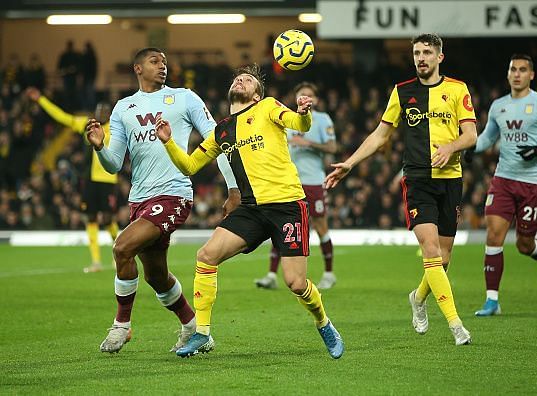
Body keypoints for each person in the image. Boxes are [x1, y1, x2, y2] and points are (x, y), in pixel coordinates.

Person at [155, 64, 344, 359]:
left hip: (287, 206)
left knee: (295, 283)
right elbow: (190, 166)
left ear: (257, 95)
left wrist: (304, 113)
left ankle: (324, 323)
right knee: (206, 256)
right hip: (251, 209)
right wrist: (168, 143)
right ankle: (202, 333)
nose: (241, 80)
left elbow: (297, 123)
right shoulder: (222, 130)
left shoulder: (268, 107)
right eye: (238, 78)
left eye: (249, 80)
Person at [84, 47, 240, 354]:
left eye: (165, 62)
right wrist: (100, 147)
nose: (162, 66)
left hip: (174, 193)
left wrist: (233, 188)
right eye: (155, 61)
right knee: (156, 276)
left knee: (122, 247)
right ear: (138, 68)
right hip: (139, 199)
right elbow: (114, 164)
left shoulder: (185, 97)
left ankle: (121, 326)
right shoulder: (123, 108)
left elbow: (217, 139)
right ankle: (193, 328)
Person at [325, 33, 476, 346]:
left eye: (427, 53)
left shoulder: (457, 89)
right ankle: (456, 324)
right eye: (417, 53)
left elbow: (471, 134)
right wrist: (350, 163)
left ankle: (418, 298)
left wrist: (451, 146)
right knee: (431, 252)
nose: (420, 58)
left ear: (439, 57)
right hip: (418, 180)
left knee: (444, 259)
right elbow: (380, 136)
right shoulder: (402, 91)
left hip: (450, 181)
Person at [469, 54, 537, 316]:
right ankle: (492, 301)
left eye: (522, 70)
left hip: (534, 183)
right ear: (507, 74)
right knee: (493, 235)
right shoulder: (498, 106)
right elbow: (486, 139)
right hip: (503, 180)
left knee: (524, 244)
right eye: (513, 69)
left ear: (531, 75)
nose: (517, 74)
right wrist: (469, 148)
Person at [25, 87, 119, 273]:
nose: (100, 114)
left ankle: (121, 254)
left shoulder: (116, 129)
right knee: (90, 218)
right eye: (98, 111)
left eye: (104, 111)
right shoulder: (87, 124)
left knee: (107, 219)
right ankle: (96, 262)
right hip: (89, 180)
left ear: (110, 114)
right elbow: (62, 117)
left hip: (108, 180)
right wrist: (41, 100)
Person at [254, 82, 337, 290]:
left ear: (315, 100)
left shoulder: (322, 119)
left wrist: (308, 144)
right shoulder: (286, 118)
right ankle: (271, 275)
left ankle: (328, 273)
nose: (306, 97)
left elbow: (332, 147)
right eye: (302, 94)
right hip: (289, 182)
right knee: (281, 226)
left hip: (313, 181)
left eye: (310, 95)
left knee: (320, 226)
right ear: (296, 98)